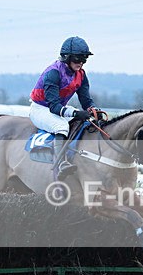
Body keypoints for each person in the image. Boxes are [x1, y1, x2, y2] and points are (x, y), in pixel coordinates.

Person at [29, 36, 103, 178]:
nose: (81, 62)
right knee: (61, 126)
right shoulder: (53, 73)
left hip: (57, 106)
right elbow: (54, 107)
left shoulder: (81, 75)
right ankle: (61, 163)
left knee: (86, 122)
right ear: (66, 57)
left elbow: (86, 100)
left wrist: (93, 109)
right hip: (41, 109)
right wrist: (76, 114)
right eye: (77, 58)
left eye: (84, 59)